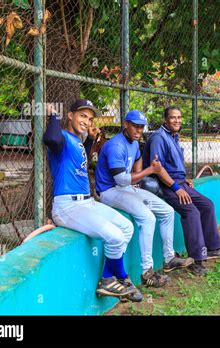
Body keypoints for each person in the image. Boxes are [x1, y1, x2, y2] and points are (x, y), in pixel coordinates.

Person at [43, 99, 142, 301]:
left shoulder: (76, 141)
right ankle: (122, 277)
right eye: (82, 116)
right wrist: (54, 116)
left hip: (86, 202)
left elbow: (80, 159)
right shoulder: (61, 137)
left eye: (89, 118)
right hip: (67, 206)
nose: (87, 121)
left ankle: (107, 278)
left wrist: (89, 139)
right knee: (115, 236)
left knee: (126, 227)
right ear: (70, 115)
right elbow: (51, 140)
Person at [95, 110, 194, 287]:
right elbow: (121, 179)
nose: (138, 130)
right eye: (135, 126)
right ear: (126, 124)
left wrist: (137, 173)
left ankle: (169, 258)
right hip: (109, 191)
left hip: (126, 188)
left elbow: (138, 158)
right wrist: (148, 171)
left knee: (167, 211)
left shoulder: (133, 142)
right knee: (148, 217)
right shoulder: (115, 146)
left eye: (141, 127)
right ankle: (147, 272)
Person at [143, 106, 220, 276]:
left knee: (206, 205)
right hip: (166, 186)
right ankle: (196, 260)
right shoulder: (159, 138)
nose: (176, 120)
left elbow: (172, 165)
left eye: (179, 117)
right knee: (191, 212)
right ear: (165, 120)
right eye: (172, 117)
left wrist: (183, 180)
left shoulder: (173, 137)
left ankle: (212, 248)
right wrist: (176, 187)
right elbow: (158, 168)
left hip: (180, 183)